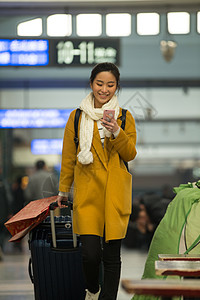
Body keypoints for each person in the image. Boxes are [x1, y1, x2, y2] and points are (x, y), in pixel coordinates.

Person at [57, 62, 137, 300]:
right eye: (100, 83)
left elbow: (130, 153)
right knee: (89, 254)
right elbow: (69, 157)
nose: (104, 89)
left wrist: (116, 132)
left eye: (110, 85)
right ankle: (92, 289)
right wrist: (63, 190)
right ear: (91, 84)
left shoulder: (124, 118)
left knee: (112, 255)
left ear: (117, 87)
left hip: (114, 192)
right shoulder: (77, 117)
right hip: (88, 192)